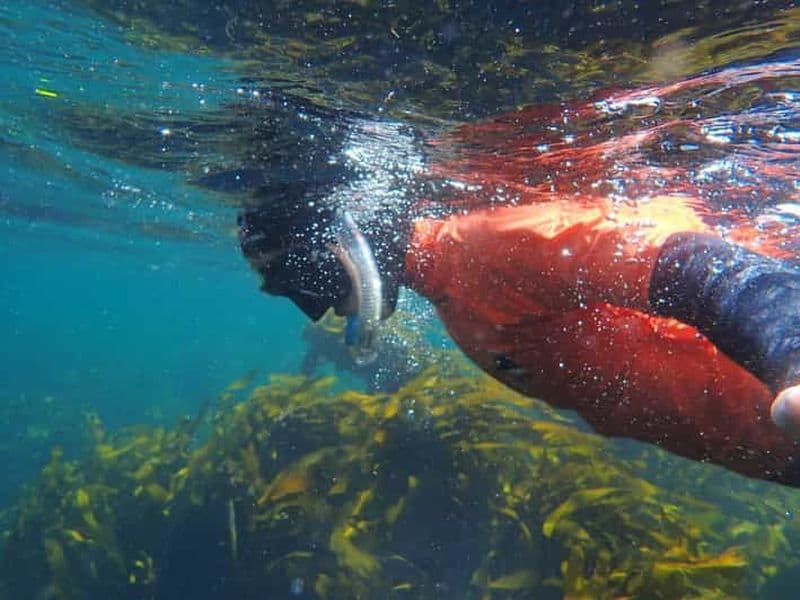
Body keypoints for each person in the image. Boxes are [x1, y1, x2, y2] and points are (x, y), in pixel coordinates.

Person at [237, 81, 800, 486]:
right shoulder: (450, 288)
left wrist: (792, 355)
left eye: (299, 279)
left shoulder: (485, 246)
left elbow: (691, 265)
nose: (318, 312)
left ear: (346, 233)